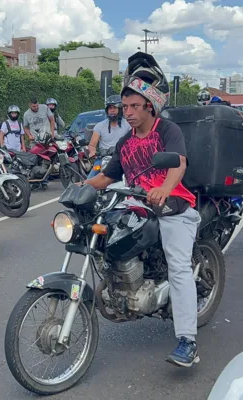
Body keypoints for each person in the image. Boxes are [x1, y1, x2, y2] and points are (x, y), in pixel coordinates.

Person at [83, 52, 202, 368]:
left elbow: (178, 162)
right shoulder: (125, 141)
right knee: (104, 238)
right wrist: (82, 187)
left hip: (172, 205)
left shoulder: (167, 131)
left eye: (135, 106)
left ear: (150, 105)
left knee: (179, 267)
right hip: (136, 204)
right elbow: (108, 175)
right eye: (125, 107)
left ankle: (187, 340)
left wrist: (164, 188)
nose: (129, 112)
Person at [87, 94, 131, 178]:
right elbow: (92, 145)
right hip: (103, 159)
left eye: (115, 107)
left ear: (120, 109)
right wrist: (92, 152)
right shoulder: (99, 126)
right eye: (110, 108)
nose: (112, 110)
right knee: (89, 181)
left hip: (123, 158)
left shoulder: (129, 125)